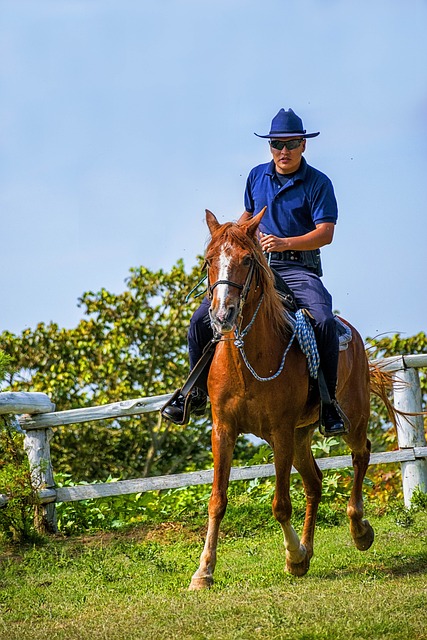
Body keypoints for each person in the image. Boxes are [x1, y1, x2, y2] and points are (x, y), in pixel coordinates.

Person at [162, 108, 347, 435]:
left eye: (290, 144)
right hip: (254, 268)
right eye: (277, 144)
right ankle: (194, 393)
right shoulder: (255, 176)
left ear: (303, 145)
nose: (283, 151)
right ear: (270, 146)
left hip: (297, 269)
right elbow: (248, 214)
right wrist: (232, 239)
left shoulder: (318, 183)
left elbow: (326, 233)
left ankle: (328, 404)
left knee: (322, 321)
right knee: (199, 320)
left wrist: (285, 242)